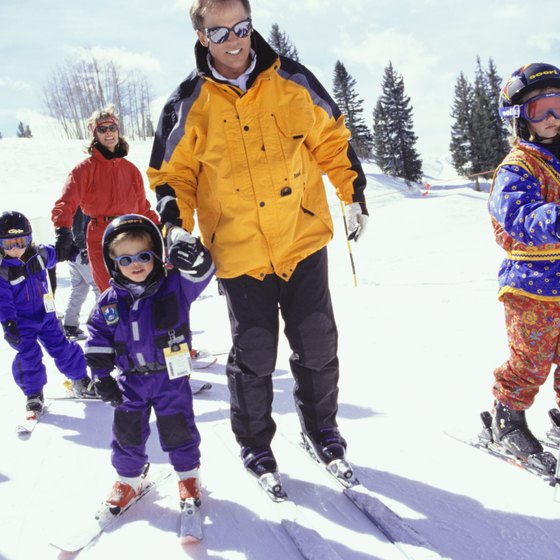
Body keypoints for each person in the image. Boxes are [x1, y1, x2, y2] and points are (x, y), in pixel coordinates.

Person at [147, 0, 369, 489]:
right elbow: (171, 177)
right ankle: (255, 445)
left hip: (301, 237)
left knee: (317, 343)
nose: (235, 40)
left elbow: (331, 139)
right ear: (202, 37)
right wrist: (175, 227)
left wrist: (353, 194)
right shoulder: (186, 102)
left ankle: (323, 431)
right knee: (255, 354)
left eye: (242, 28)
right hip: (239, 252)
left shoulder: (292, 79)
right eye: (221, 32)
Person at [85, 214, 214, 513]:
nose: (136, 264)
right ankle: (129, 479)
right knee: (127, 432)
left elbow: (203, 273)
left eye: (143, 256)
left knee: (178, 427)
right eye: (125, 260)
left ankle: (188, 476)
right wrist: (102, 377)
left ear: (156, 254)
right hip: (131, 381)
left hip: (171, 377)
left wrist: (189, 249)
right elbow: (97, 339)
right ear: (113, 264)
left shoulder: (175, 286)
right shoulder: (108, 302)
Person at [488, 62, 560, 465]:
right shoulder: (518, 167)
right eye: (540, 110)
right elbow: (518, 216)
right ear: (519, 119)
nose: (552, 118)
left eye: (558, 106)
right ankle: (507, 420)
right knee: (530, 361)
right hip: (532, 287)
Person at [51, 105, 159, 293]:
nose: (108, 133)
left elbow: (143, 207)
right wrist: (63, 230)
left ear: (118, 131)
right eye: (102, 129)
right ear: (95, 135)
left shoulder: (131, 170)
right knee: (109, 290)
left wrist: (160, 228)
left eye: (112, 128)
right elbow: (66, 201)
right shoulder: (84, 170)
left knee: (139, 289)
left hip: (131, 233)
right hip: (101, 234)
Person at [0, 211, 96, 417]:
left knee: (63, 348)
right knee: (28, 356)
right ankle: (33, 394)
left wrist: (72, 251)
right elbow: (3, 301)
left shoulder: (41, 255)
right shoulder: (3, 271)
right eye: (8, 244)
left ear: (29, 238)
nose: (16, 249)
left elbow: (59, 253)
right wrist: (8, 323)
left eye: (20, 241)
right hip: (22, 323)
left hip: (46, 317)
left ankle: (80, 380)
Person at [63, 207, 100, 340]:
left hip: (73, 251)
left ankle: (70, 325)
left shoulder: (74, 201)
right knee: (99, 288)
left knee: (79, 289)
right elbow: (80, 225)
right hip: (82, 251)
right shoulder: (83, 202)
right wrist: (84, 247)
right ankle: (99, 324)